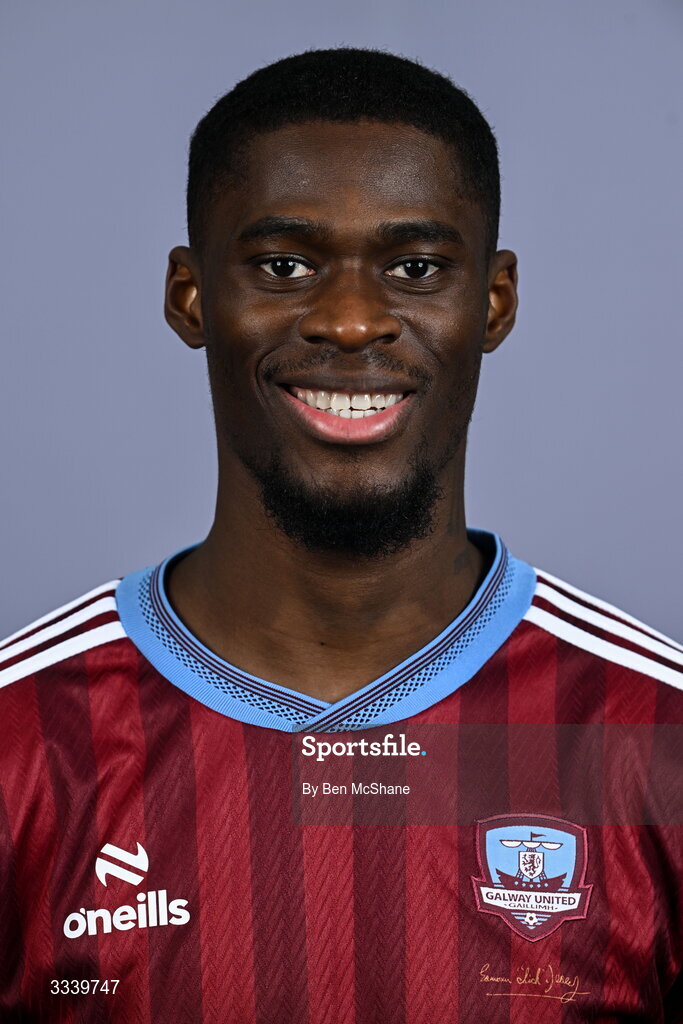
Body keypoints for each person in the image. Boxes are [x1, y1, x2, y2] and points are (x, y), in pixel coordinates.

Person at [0, 47, 681, 1024]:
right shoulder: (23, 744)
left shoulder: (653, 742)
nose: (353, 321)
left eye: (413, 267)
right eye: (285, 264)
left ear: (492, 302)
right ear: (191, 296)